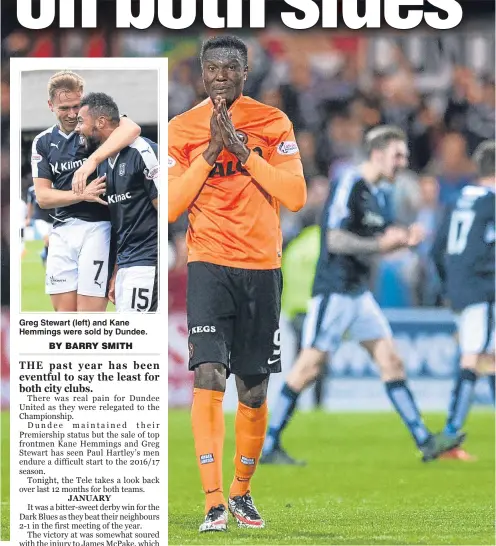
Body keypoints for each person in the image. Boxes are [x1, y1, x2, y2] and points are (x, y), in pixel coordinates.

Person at [260, 125, 465, 466]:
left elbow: (373, 242)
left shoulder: (379, 193)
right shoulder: (349, 183)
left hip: (358, 293)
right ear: (378, 153)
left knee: (391, 360)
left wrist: (398, 240)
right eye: (398, 155)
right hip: (335, 291)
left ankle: (425, 441)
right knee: (308, 368)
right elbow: (336, 241)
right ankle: (268, 445)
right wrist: (381, 244)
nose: (403, 162)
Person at [168, 35, 306, 532]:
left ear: (245, 74)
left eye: (230, 68)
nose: (221, 76)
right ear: (201, 75)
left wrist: (245, 154)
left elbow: (293, 195)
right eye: (212, 69)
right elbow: (169, 206)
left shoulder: (272, 122)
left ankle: (242, 492)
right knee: (208, 375)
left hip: (261, 267)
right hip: (208, 264)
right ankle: (212, 503)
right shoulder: (181, 129)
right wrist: (209, 153)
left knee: (253, 389)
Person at [31, 70, 141, 312]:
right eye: (64, 108)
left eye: (75, 106)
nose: (71, 114)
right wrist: (81, 194)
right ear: (51, 105)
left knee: (89, 316)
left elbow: (132, 127)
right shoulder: (43, 141)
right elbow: (43, 197)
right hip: (61, 231)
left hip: (98, 228)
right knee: (64, 316)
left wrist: (92, 161)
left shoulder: (94, 127)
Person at [431, 140, 495, 461]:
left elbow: (436, 249)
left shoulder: (458, 200)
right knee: (474, 357)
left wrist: (449, 286)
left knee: (491, 358)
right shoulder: (492, 203)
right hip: (484, 290)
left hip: (461, 289)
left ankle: (451, 436)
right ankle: (450, 437)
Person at [75, 92, 159, 312]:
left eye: (81, 121)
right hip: (126, 267)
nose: (77, 128)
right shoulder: (103, 163)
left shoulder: (142, 152)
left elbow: (166, 209)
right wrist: (116, 271)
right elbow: (121, 224)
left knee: (138, 342)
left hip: (147, 265)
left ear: (101, 122)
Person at [26, 185, 54, 266]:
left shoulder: (55, 186)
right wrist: (28, 218)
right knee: (47, 239)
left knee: (52, 242)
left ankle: (43, 254)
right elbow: (29, 205)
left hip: (54, 219)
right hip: (40, 218)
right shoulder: (31, 190)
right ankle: (47, 258)